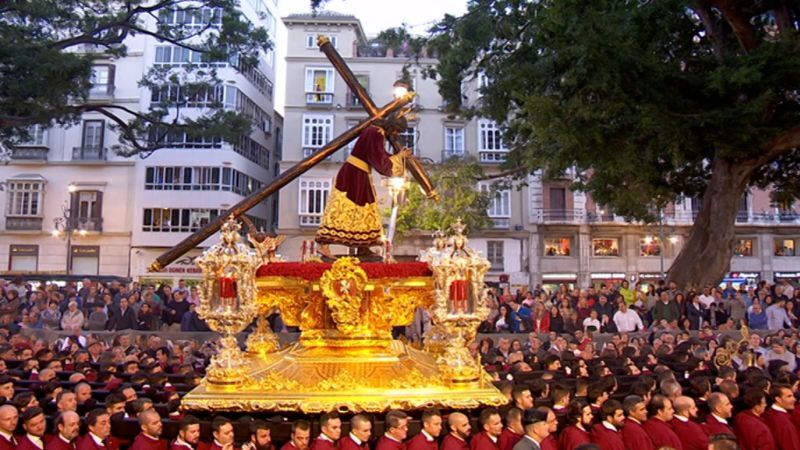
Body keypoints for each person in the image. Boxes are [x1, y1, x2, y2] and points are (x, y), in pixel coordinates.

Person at [316, 123, 411, 258]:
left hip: (359, 173)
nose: (395, 135)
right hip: (354, 174)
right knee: (345, 209)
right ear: (392, 127)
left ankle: (363, 246)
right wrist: (399, 158)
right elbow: (378, 159)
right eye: (396, 131)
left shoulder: (374, 131)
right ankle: (323, 244)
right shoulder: (376, 132)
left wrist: (399, 156)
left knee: (365, 210)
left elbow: (380, 154)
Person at [762, 384, 800, 450]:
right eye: (789, 396)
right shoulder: (784, 423)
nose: (794, 399)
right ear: (778, 399)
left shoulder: (768, 413)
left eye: (793, 396)